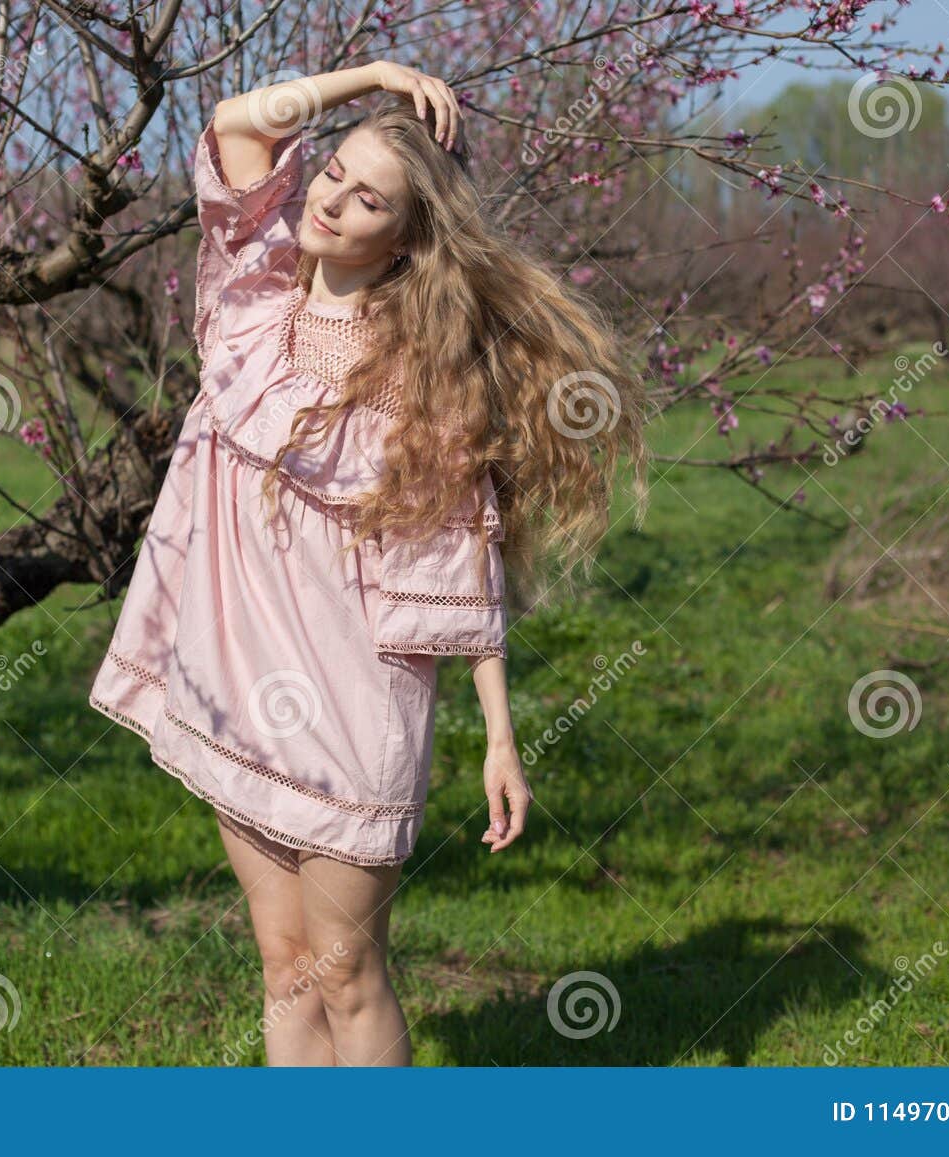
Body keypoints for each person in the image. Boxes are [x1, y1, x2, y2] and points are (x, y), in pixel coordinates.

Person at [88, 61, 649, 1066]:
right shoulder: (250, 294)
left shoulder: (421, 365)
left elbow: (458, 555)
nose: (333, 201)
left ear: (405, 235)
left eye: (367, 198)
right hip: (237, 673)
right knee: (282, 957)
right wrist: (373, 78)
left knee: (346, 966)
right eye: (334, 173)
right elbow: (236, 122)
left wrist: (499, 735)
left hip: (358, 688)